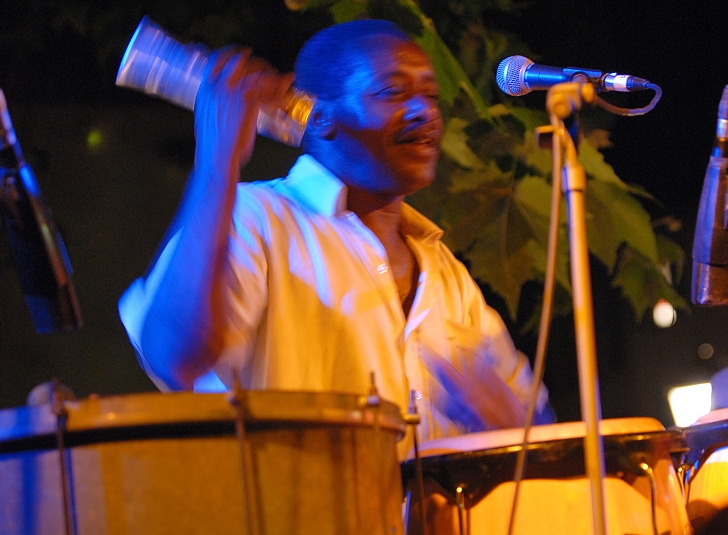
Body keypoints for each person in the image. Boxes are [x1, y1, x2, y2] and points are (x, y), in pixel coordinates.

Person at [118, 19, 553, 457]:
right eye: (394, 92)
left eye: (431, 96)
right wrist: (217, 161)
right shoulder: (258, 219)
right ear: (320, 116)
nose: (426, 111)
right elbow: (175, 357)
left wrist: (508, 422)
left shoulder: (445, 272)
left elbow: (543, 436)